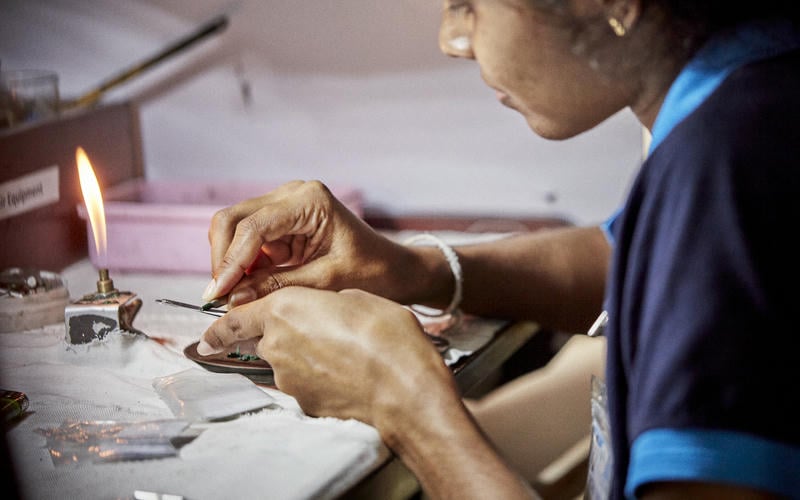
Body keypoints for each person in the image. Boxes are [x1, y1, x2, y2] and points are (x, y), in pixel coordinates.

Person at [196, 0, 800, 498]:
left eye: (467, 5)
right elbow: (646, 263)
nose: (452, 40)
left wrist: (404, 405)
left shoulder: (728, 167)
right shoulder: (757, 82)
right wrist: (412, 268)